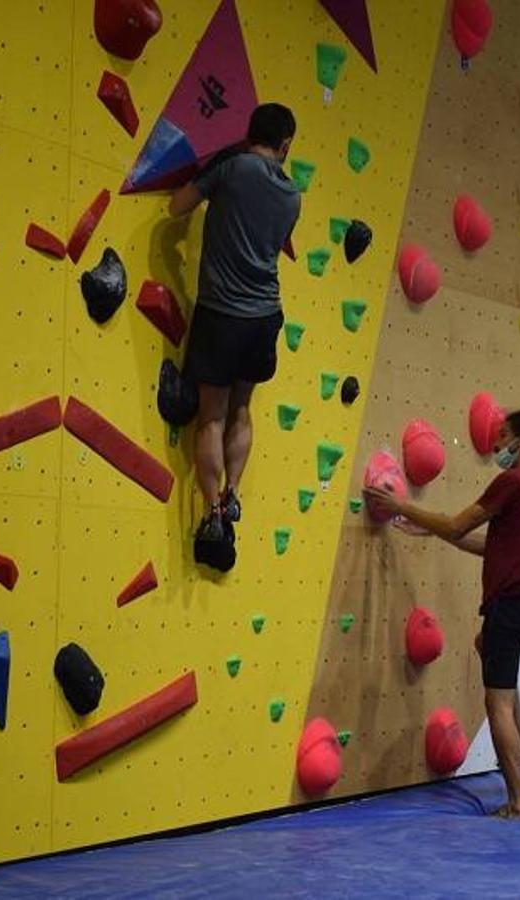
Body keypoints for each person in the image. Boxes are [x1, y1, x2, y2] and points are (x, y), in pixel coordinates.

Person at [364, 410, 520, 819]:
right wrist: (435, 530)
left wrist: (399, 506)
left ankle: (517, 803)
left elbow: (458, 524)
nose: (497, 447)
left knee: (495, 701)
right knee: (487, 646)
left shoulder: (512, 482)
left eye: (504, 437)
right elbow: (492, 545)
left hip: (511, 602)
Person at [167, 103, 302, 573]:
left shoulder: (232, 168)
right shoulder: (293, 195)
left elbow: (176, 206)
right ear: (285, 146)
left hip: (221, 312)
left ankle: (211, 511)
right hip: (265, 317)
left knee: (211, 417)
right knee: (242, 409)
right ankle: (235, 492)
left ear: (250, 134)